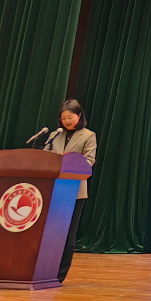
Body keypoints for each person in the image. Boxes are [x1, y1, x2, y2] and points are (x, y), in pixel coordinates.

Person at [44, 99, 97, 283]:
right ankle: (44, 270)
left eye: (70, 117)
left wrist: (69, 162)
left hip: (74, 191)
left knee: (67, 234)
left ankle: (59, 275)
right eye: (64, 117)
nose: (66, 121)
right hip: (52, 189)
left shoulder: (88, 135)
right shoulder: (55, 135)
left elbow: (89, 161)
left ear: (79, 116)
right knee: (49, 233)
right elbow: (44, 157)